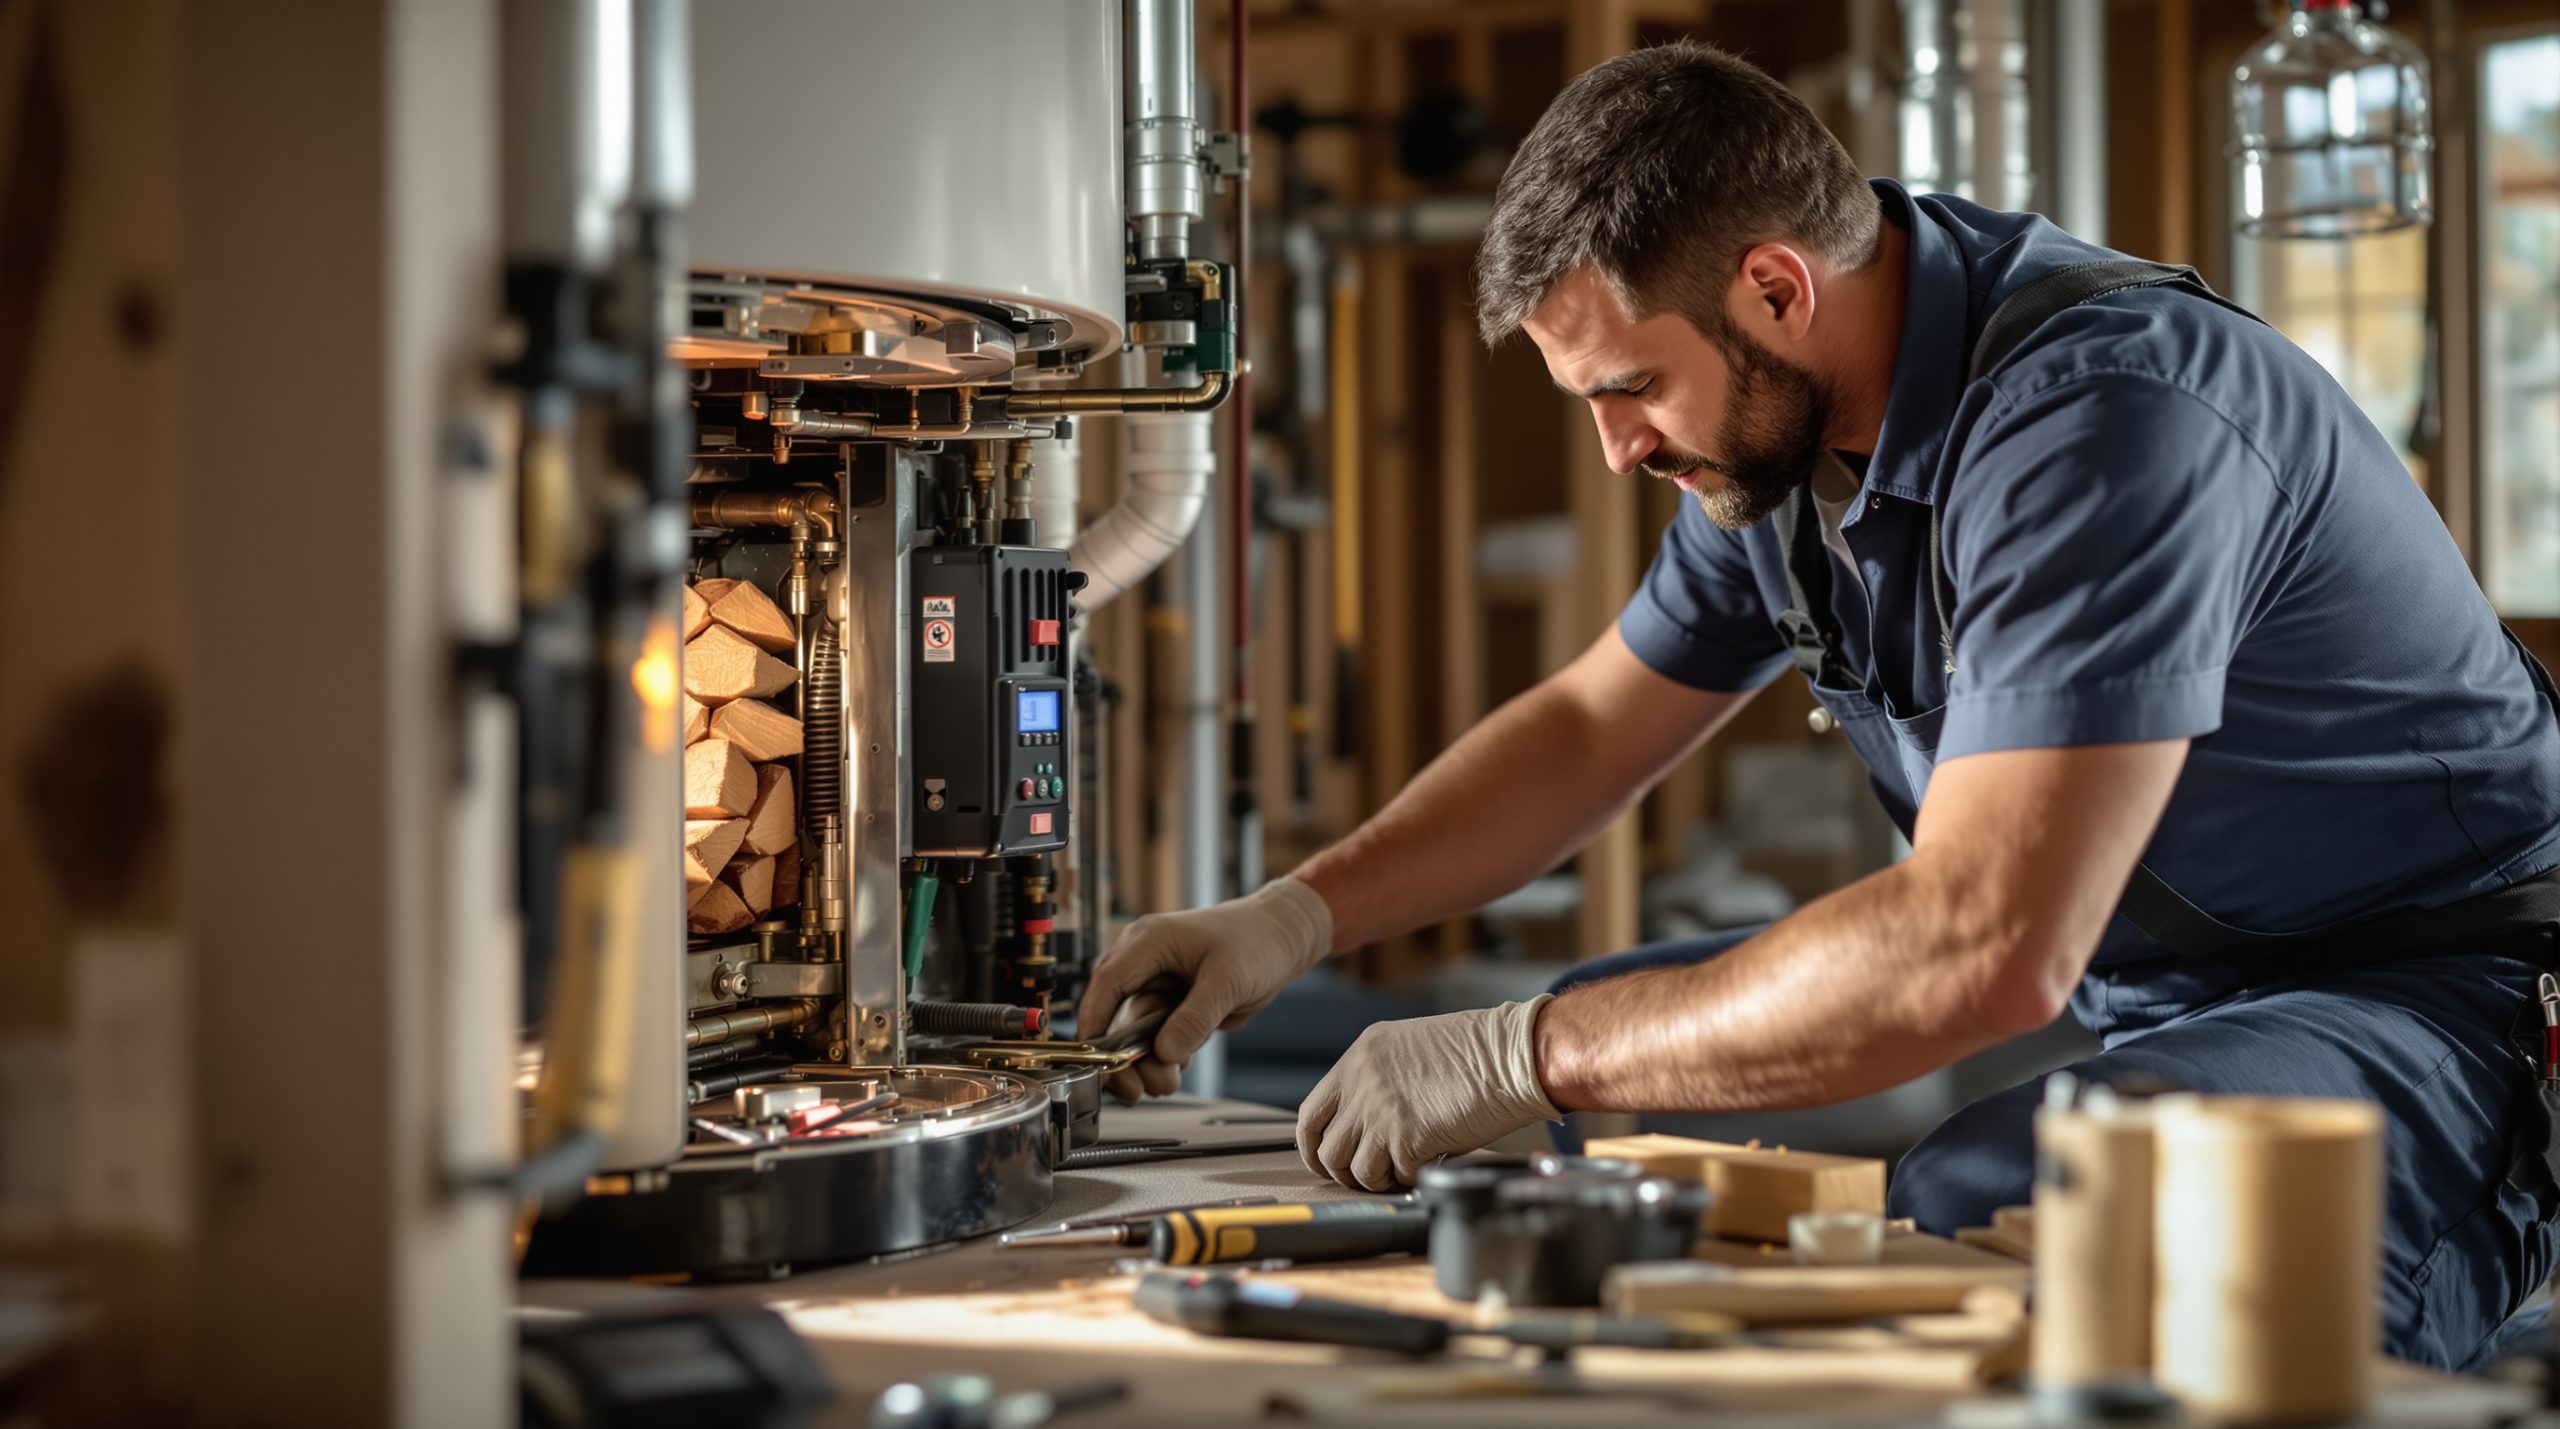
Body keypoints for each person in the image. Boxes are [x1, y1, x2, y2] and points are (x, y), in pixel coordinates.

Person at [1077, 41, 2560, 1370]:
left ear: (1776, 286)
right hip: (2171, 999)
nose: (1612, 450)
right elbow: (1593, 726)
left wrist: (1513, 1050)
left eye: (1631, 388)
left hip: (2459, 1002)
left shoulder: (2102, 422)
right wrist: (1293, 914)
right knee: (1594, 1122)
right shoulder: (1789, 445)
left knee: (2017, 1192)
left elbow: (1981, 946)